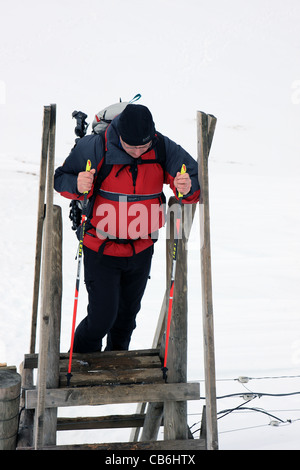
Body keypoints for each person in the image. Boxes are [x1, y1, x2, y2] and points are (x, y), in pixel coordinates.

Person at [54, 104, 200, 353]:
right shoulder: (95, 146)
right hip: (100, 246)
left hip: (141, 248)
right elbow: (60, 179)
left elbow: (196, 182)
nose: (137, 152)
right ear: (119, 133)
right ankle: (81, 363)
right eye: (132, 146)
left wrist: (186, 188)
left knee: (126, 319)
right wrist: (77, 183)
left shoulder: (163, 147)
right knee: (102, 318)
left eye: (143, 147)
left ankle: (117, 368)